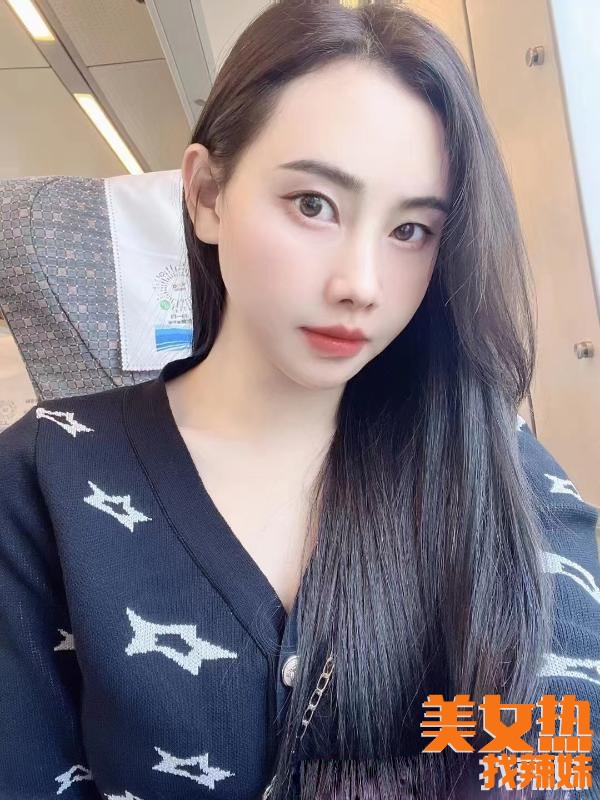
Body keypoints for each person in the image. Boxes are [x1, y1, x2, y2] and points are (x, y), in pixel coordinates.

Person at [1, 2, 598, 799]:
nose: (361, 284)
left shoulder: (493, 462)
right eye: (313, 204)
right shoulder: (44, 480)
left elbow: (562, 751)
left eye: (411, 230)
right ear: (208, 195)